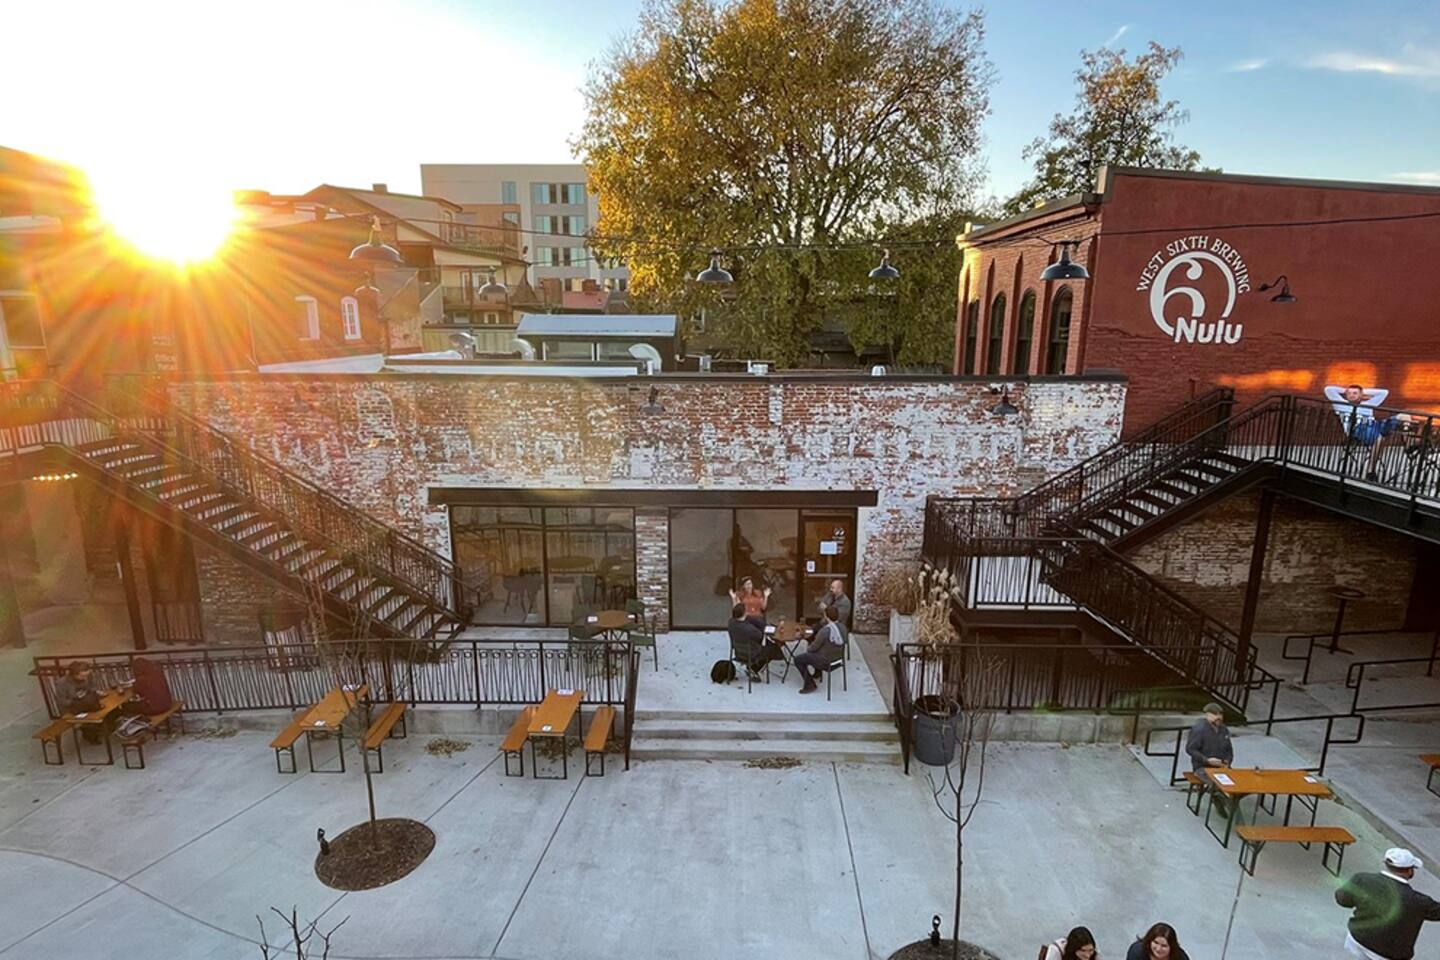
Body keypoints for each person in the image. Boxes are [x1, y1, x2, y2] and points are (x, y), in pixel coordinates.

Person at [1335, 847, 1440, 960]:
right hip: (1387, 955)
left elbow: (1342, 899)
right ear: (1410, 870)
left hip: (1356, 940)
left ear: (1386, 864)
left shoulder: (1361, 879)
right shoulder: (1419, 902)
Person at [1325, 383, 1402, 481]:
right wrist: (1345, 390)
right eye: (1349, 393)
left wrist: (1363, 392)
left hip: (1375, 425)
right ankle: (1371, 471)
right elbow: (1328, 389)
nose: (1351, 395)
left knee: (1403, 417)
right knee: (1379, 439)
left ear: (1361, 395)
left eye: (1355, 393)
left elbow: (1384, 392)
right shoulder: (1340, 403)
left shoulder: (1368, 404)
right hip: (1358, 429)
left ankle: (1410, 447)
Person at [794, 604, 846, 694]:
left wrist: (808, 646)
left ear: (827, 617)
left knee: (798, 659)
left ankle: (810, 684)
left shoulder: (825, 631)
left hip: (826, 662)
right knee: (818, 650)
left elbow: (812, 648)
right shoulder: (843, 628)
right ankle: (817, 673)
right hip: (838, 659)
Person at [727, 603, 779, 681]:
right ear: (744, 613)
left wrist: (756, 621)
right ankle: (754, 668)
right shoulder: (749, 629)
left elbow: (751, 620)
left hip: (739, 651)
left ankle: (753, 667)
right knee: (774, 649)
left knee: (768, 644)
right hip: (752, 652)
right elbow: (760, 636)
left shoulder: (731, 622)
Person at [1125, 923, 1189, 960]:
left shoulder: (1181, 957)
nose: (1158, 949)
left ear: (1172, 947)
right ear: (1149, 940)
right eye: (1156, 942)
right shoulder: (1137, 952)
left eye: (1164, 946)